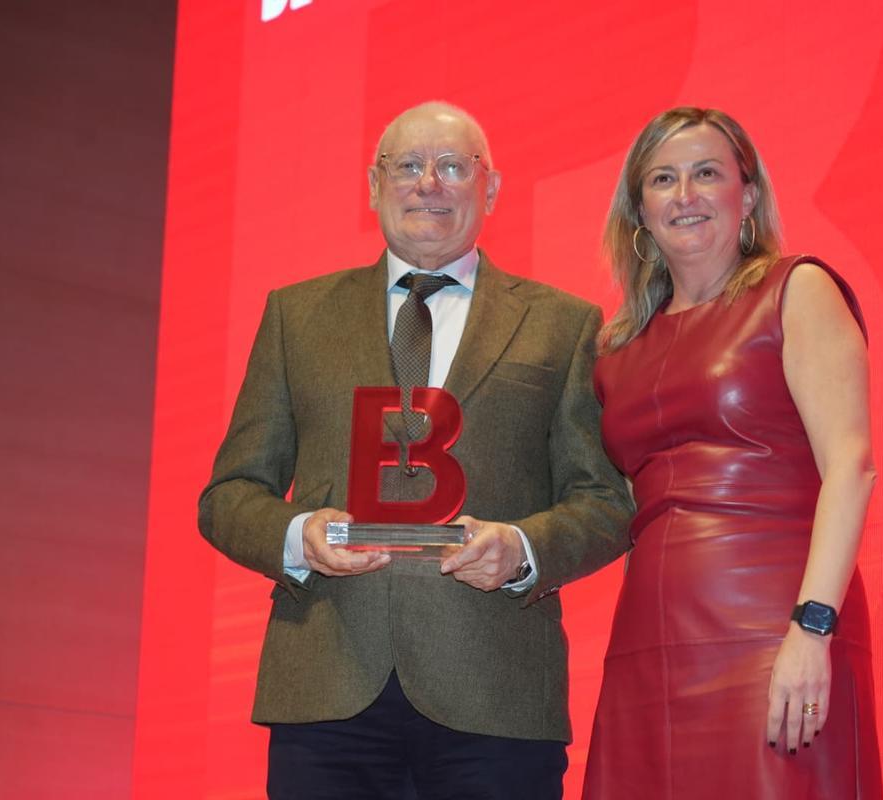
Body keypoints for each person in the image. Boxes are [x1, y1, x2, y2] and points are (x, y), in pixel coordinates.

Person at [199, 101, 632, 800]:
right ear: (374, 186)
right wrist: (298, 535)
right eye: (407, 166)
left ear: (489, 190)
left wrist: (522, 548)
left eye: (453, 166)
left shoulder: (565, 325)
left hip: (494, 696)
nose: (429, 183)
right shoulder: (296, 316)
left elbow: (607, 503)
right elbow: (228, 496)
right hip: (326, 694)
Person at [583, 107, 883, 798]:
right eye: (663, 179)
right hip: (646, 651)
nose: (684, 195)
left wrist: (812, 630)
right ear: (640, 210)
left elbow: (851, 465)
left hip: (773, 632)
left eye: (706, 174)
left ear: (747, 195)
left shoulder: (796, 289)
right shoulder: (615, 347)